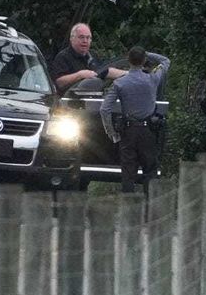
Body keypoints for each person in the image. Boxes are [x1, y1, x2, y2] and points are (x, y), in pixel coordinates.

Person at [100, 46, 170, 193]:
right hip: (148, 131)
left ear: (128, 60)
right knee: (150, 170)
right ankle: (150, 206)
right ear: (144, 60)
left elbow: (104, 109)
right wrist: (148, 53)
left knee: (127, 172)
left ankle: (127, 207)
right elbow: (165, 61)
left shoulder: (119, 83)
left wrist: (111, 133)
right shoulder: (152, 78)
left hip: (128, 131)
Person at [48, 22, 127, 92]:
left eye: (88, 37)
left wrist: (130, 74)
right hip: (68, 104)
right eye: (81, 37)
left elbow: (104, 72)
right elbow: (59, 83)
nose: (85, 41)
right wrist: (80, 75)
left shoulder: (92, 55)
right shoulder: (63, 57)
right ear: (72, 39)